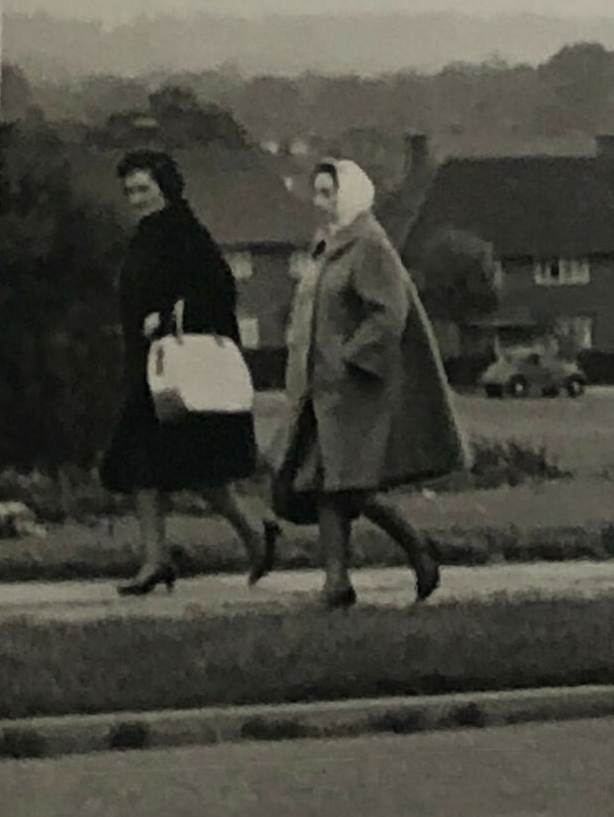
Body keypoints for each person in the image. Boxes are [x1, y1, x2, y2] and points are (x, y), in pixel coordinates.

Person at [272, 158, 467, 608]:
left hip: (353, 390)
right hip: (320, 389)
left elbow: (389, 312)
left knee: (348, 485)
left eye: (329, 193)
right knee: (327, 484)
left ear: (351, 195)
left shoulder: (369, 247)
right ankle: (339, 582)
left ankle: (414, 550)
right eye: (317, 192)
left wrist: (351, 358)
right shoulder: (328, 247)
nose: (320, 202)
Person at [98, 149, 281, 595]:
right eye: (130, 191)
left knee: (194, 469)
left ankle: (250, 535)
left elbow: (218, 291)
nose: (136, 198)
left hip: (182, 373)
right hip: (151, 371)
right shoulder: (146, 235)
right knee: (145, 466)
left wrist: (166, 318)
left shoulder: (185, 234)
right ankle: (159, 558)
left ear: (166, 188)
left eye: (143, 189)